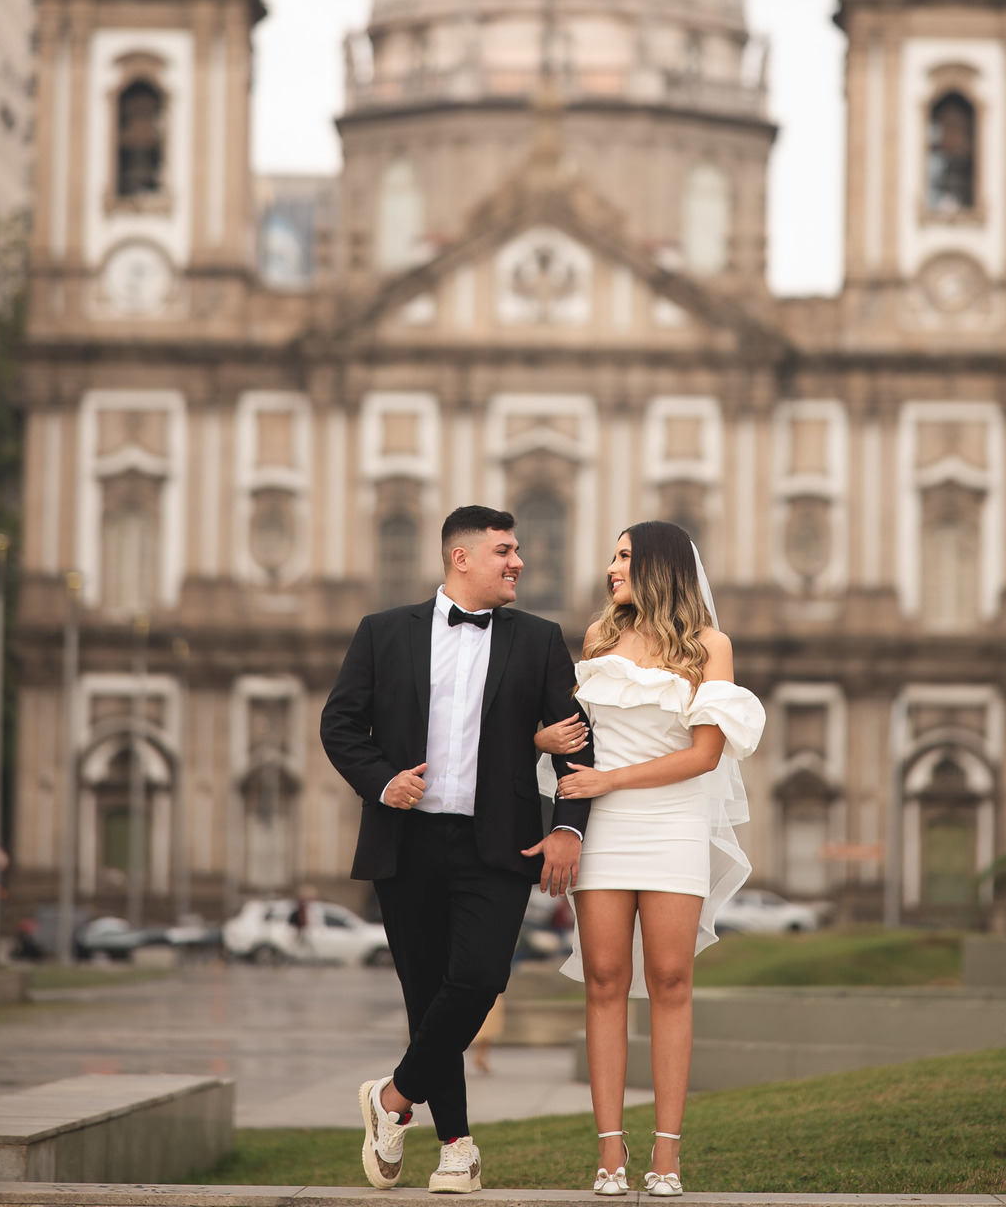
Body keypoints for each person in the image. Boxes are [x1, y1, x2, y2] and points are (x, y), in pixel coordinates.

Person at [320, 505, 594, 1194]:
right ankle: (456, 1148)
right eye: (505, 549)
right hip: (405, 842)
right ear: (461, 558)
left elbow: (575, 741)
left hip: (495, 843)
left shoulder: (539, 639)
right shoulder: (382, 633)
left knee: (478, 980)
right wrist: (383, 782)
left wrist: (568, 825)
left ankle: (392, 1099)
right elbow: (340, 724)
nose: (519, 562)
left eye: (519, 548)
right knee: (425, 997)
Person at [536, 522, 764, 1197]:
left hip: (672, 822)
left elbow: (704, 755)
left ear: (660, 566)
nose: (612, 569)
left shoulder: (709, 648)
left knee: (670, 981)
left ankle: (667, 1156)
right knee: (604, 980)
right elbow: (575, 740)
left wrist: (609, 781)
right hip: (601, 829)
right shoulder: (599, 638)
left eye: (625, 557)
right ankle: (609, 1152)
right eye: (613, 556)